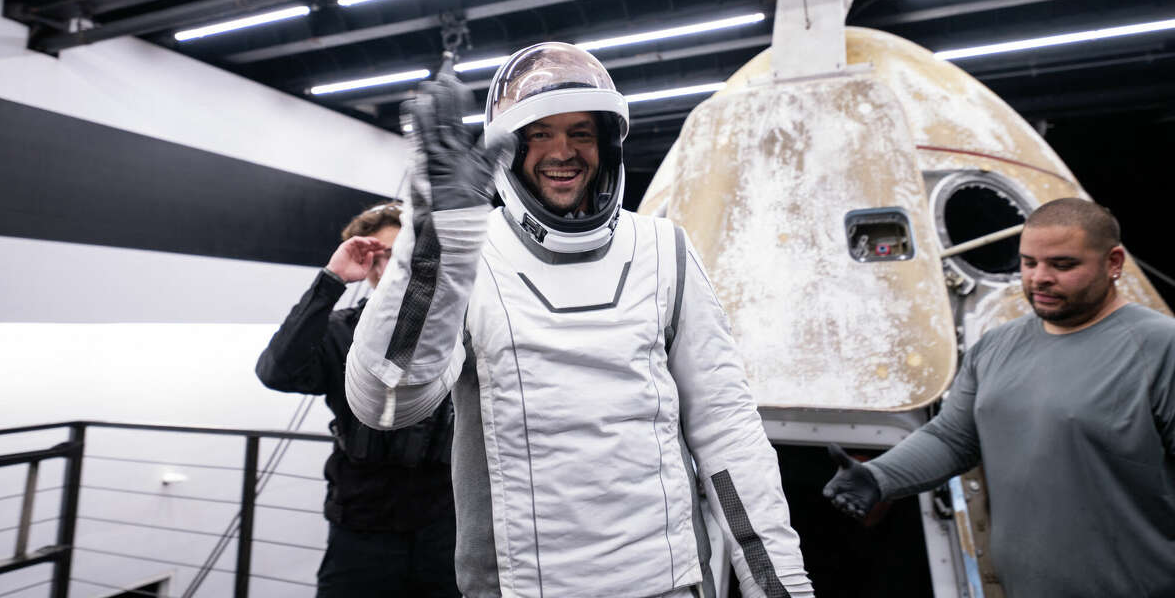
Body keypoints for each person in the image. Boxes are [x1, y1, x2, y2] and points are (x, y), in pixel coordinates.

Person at [345, 42, 814, 598]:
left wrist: (779, 583)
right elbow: (386, 403)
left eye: (581, 133)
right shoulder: (472, 249)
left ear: (607, 145)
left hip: (673, 583)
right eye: (540, 133)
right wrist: (438, 242)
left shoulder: (664, 248)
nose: (561, 152)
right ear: (512, 147)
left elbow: (726, 430)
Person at [823, 197, 1175, 597]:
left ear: (1114, 263)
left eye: (1063, 265)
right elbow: (953, 438)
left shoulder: (1161, 348)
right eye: (1029, 263)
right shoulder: (996, 347)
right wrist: (879, 476)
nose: (1040, 277)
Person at [256, 202, 458, 598]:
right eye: (379, 257)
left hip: (443, 528)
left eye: (403, 256)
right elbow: (275, 372)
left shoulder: (457, 334)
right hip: (362, 529)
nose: (392, 269)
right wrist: (332, 280)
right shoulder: (340, 332)